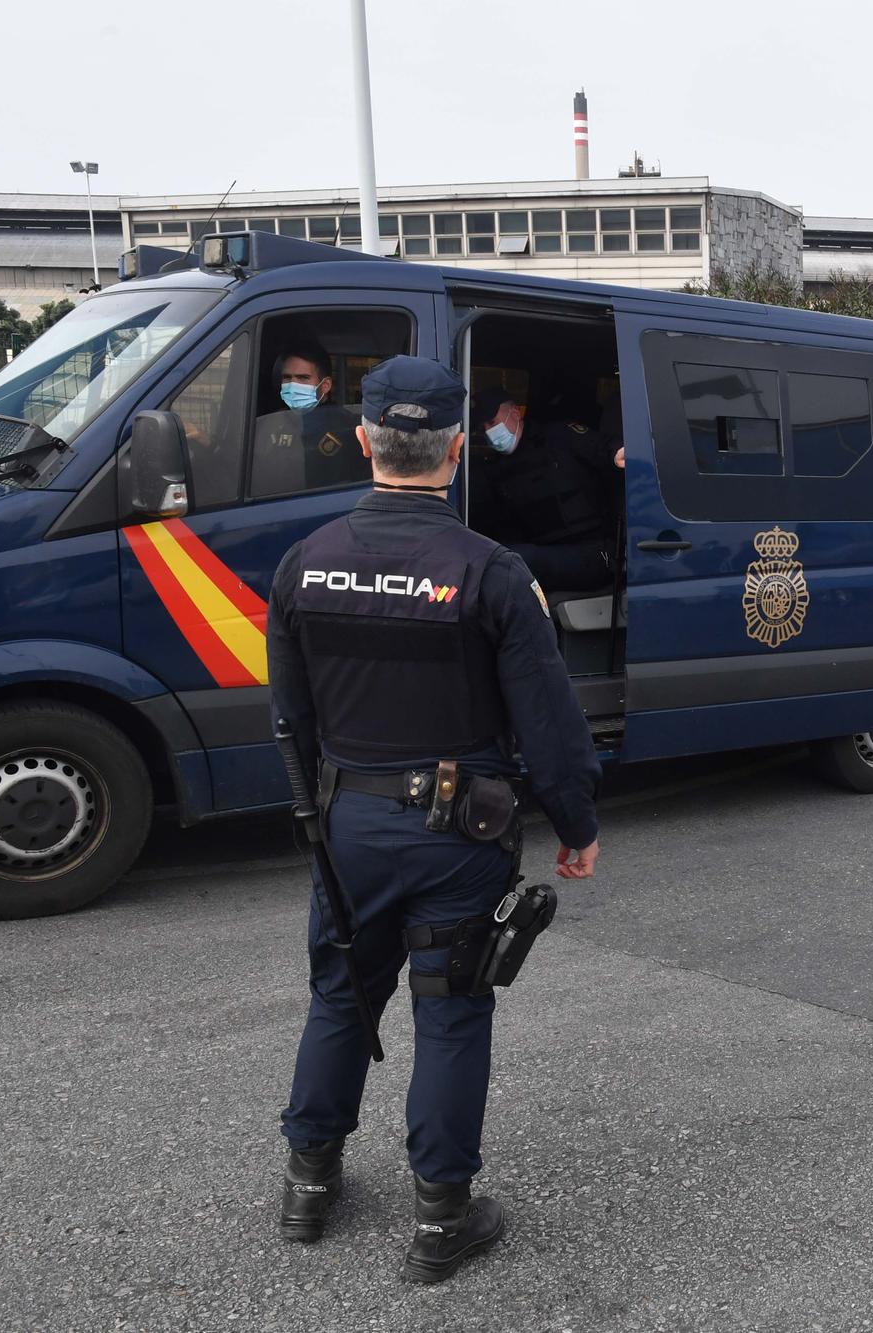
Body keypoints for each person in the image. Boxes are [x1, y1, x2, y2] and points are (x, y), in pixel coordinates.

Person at [267, 356, 603, 1282]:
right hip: (461, 834)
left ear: (366, 441)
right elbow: (549, 720)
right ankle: (441, 1219)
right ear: (457, 450)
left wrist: (313, 818)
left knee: (341, 994)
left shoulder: (304, 562)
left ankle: (307, 1183)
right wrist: (577, 823)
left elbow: (289, 718)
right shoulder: (492, 572)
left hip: (347, 827)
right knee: (451, 1013)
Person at [469, 386, 624, 592]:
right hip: (544, 552)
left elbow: (601, 447)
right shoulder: (494, 470)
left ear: (515, 413)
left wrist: (615, 453)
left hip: (594, 551)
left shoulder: (559, 437)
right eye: (482, 427)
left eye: (492, 422)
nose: (488, 432)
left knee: (513, 561)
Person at [253, 344, 363, 493]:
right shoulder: (269, 423)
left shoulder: (348, 428)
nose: (293, 385)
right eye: (287, 378)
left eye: (303, 378)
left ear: (325, 385)